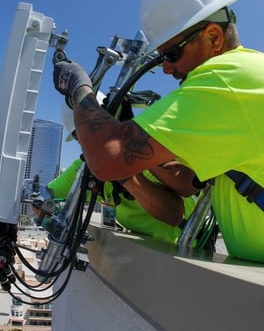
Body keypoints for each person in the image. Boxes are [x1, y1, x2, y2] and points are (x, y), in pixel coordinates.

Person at [52, 0, 264, 270]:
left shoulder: (227, 78)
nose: (166, 69)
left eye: (171, 53)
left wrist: (79, 88)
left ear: (214, 38)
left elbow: (106, 158)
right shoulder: (246, 74)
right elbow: (186, 179)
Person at [32, 100, 198, 245]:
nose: (88, 143)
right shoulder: (85, 167)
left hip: (183, 248)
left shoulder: (146, 155)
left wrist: (123, 173)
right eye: (80, 137)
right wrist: (48, 217)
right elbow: (45, 196)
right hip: (143, 256)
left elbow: (174, 214)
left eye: (91, 133)